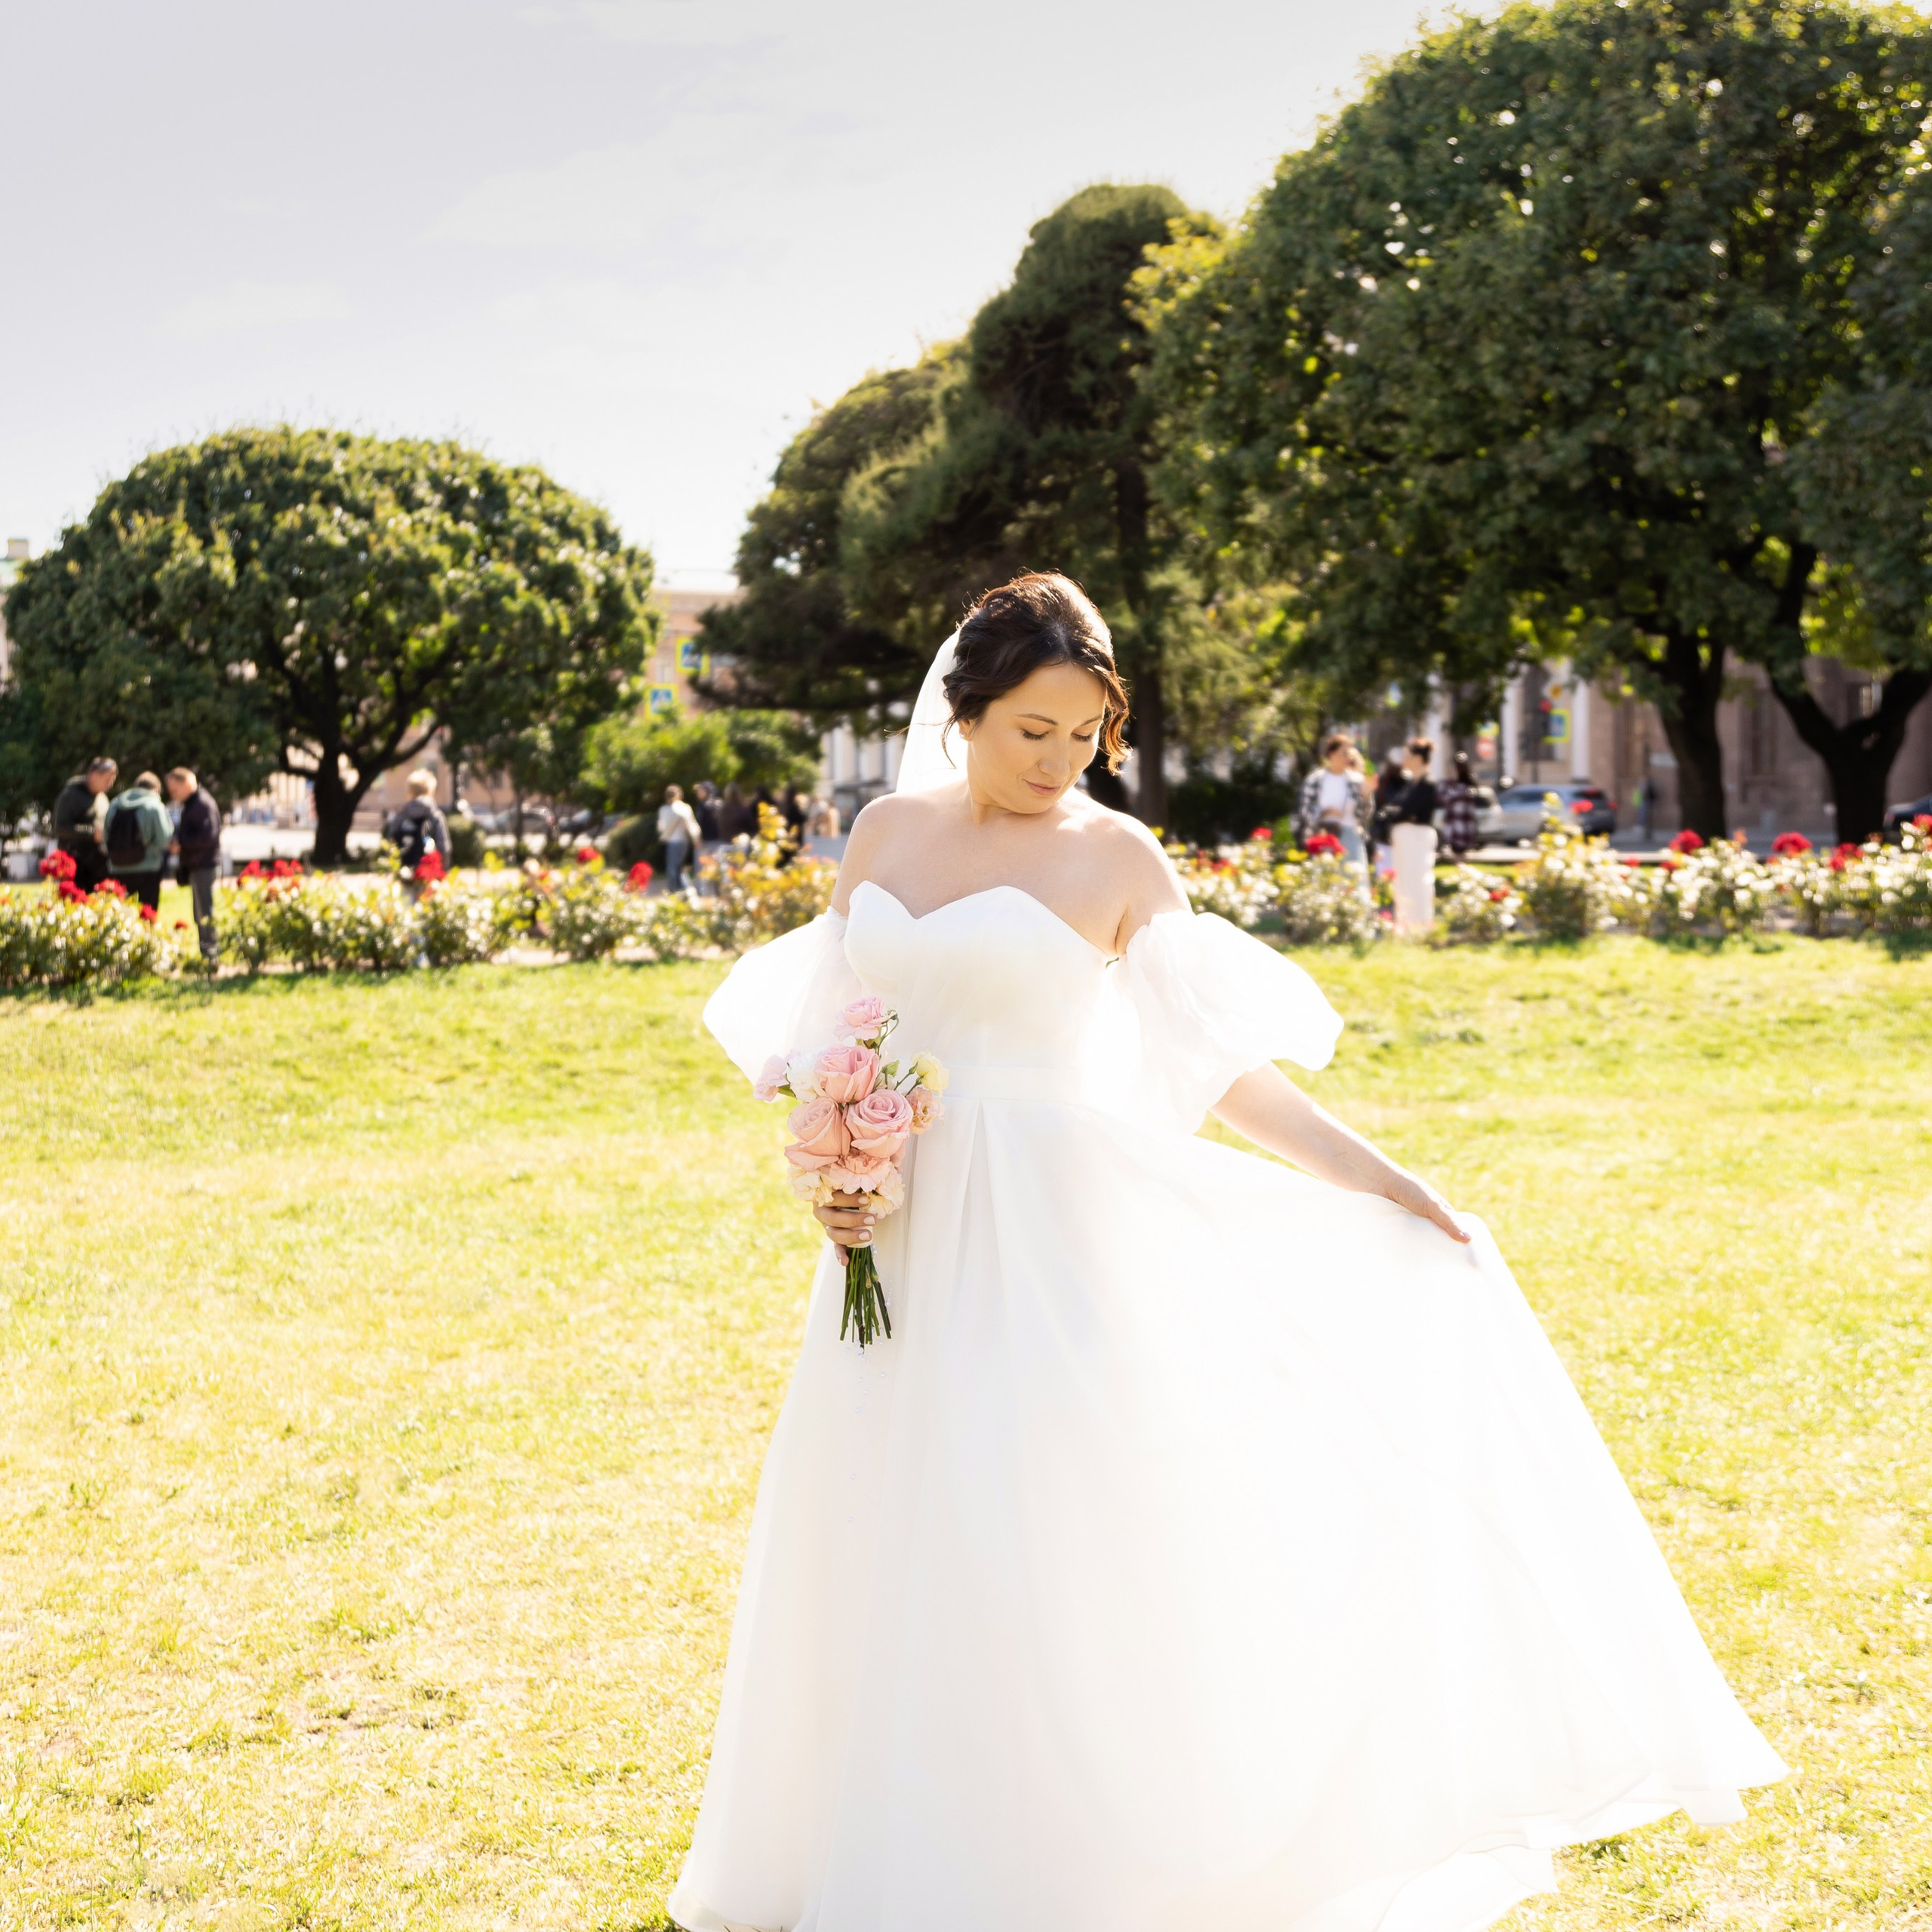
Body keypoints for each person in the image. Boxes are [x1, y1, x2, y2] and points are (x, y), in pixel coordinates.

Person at [674, 572, 1783, 1932]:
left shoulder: (1117, 860)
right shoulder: (884, 836)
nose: (1058, 761)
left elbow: (1216, 1074)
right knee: (880, 1526)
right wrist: (838, 1174)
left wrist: (1386, 1181)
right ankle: (882, 1857)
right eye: (1032, 729)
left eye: (1083, 736)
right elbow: (841, 1035)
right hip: (900, 1239)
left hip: (1053, 1241)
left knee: (1039, 1535)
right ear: (963, 712)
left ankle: (1069, 1868)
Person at [1383, 737, 1441, 934]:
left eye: (1407, 756)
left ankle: (1422, 925)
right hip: (1405, 840)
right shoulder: (1411, 783)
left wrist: (1398, 813)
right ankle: (1405, 924)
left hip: (1418, 838)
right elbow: (1396, 809)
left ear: (1418, 758)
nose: (1404, 761)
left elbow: (1407, 810)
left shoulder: (1428, 783)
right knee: (1404, 882)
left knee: (1419, 881)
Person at [165, 768, 222, 964]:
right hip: (198, 864)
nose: (173, 795)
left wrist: (182, 843)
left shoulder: (202, 804)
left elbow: (208, 836)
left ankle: (211, 955)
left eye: (175, 790)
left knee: (205, 912)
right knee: (200, 912)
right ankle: (207, 953)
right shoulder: (193, 803)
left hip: (204, 864)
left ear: (187, 783)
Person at [1296, 732, 1369, 865]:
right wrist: (1325, 812)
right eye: (1344, 753)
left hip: (1350, 837)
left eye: (1350, 754)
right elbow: (1304, 811)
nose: (1348, 758)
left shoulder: (1357, 781)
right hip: (1323, 838)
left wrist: (1366, 796)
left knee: (1352, 880)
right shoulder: (1315, 780)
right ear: (1332, 754)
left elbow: (1366, 815)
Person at [104, 771, 173, 910]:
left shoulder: (114, 805)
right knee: (147, 914)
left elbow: (106, 838)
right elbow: (164, 841)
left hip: (117, 867)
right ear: (156, 789)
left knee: (121, 914)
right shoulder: (155, 806)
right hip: (148, 868)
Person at [51, 757, 118, 893]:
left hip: (98, 865)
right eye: (107, 780)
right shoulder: (71, 794)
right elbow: (60, 828)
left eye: (112, 780)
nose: (110, 784)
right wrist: (92, 833)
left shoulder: (102, 798)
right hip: (76, 865)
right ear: (94, 775)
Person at [386, 769, 451, 890]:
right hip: (430, 875)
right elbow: (444, 847)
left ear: (409, 792)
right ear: (430, 791)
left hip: (405, 874)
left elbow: (391, 843)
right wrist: (443, 872)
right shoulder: (435, 815)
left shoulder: (402, 815)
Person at [657, 784, 702, 893]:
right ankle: (684, 889)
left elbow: (661, 828)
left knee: (673, 868)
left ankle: (676, 890)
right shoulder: (684, 808)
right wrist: (696, 839)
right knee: (678, 867)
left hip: (672, 841)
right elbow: (691, 825)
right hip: (682, 841)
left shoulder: (664, 810)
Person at [1440, 749, 1481, 857]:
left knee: (1461, 853)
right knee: (1457, 853)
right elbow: (1442, 798)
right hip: (1454, 825)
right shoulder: (1449, 785)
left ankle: (1462, 871)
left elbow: (1454, 798)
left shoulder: (1467, 787)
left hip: (1463, 825)